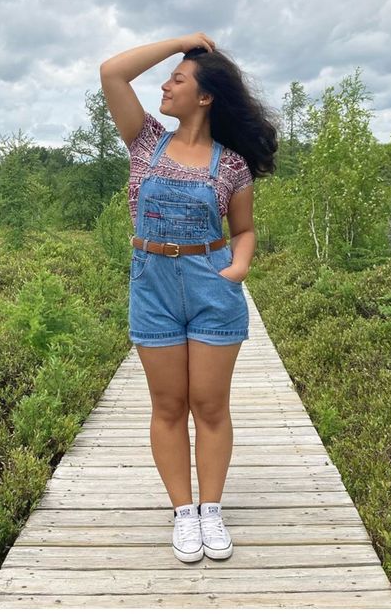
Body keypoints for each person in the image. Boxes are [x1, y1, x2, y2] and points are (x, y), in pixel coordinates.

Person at [99, 33, 278, 563]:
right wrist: (183, 43)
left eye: (178, 79)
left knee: (209, 405)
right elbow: (112, 72)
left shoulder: (232, 165)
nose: (165, 84)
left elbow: (243, 230)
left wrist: (238, 267)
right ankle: (183, 512)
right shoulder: (143, 140)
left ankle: (212, 510)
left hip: (210, 283)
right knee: (168, 405)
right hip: (151, 283)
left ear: (205, 97)